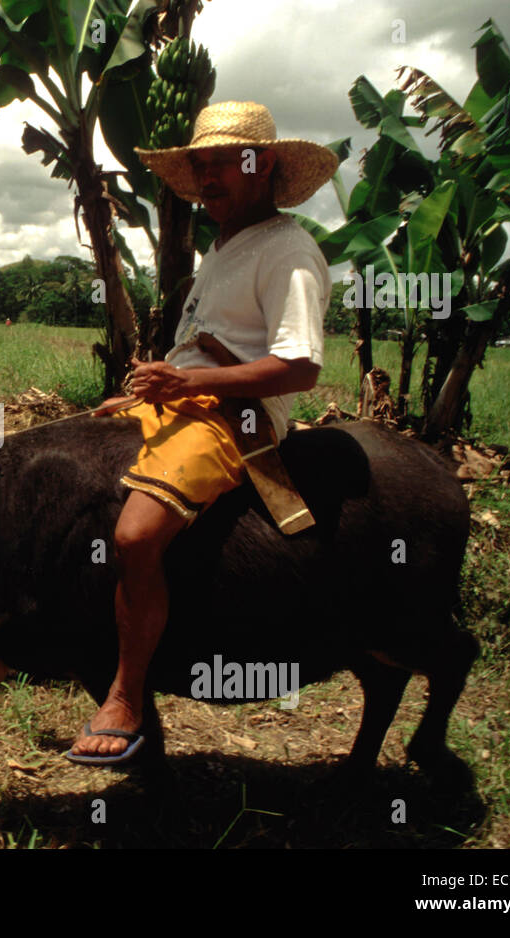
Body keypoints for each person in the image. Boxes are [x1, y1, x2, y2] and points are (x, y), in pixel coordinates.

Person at [65, 101, 337, 764]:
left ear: (262, 162)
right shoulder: (225, 246)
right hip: (184, 400)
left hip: (231, 414)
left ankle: (127, 694)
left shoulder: (289, 250)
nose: (208, 177)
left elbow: (299, 367)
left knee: (133, 535)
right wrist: (155, 390)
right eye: (200, 166)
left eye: (221, 163)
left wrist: (188, 387)